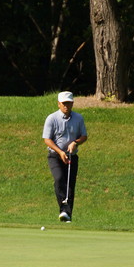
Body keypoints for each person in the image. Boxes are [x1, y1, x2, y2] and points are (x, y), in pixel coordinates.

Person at [42, 91, 88, 222]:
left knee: (70, 185)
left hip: (72, 156)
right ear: (58, 104)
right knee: (59, 179)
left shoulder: (78, 118)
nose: (66, 106)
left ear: (72, 103)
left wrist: (75, 142)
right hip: (55, 156)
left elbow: (84, 136)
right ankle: (63, 209)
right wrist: (60, 151)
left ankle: (67, 215)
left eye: (68, 103)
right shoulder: (52, 118)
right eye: (63, 103)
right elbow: (47, 139)